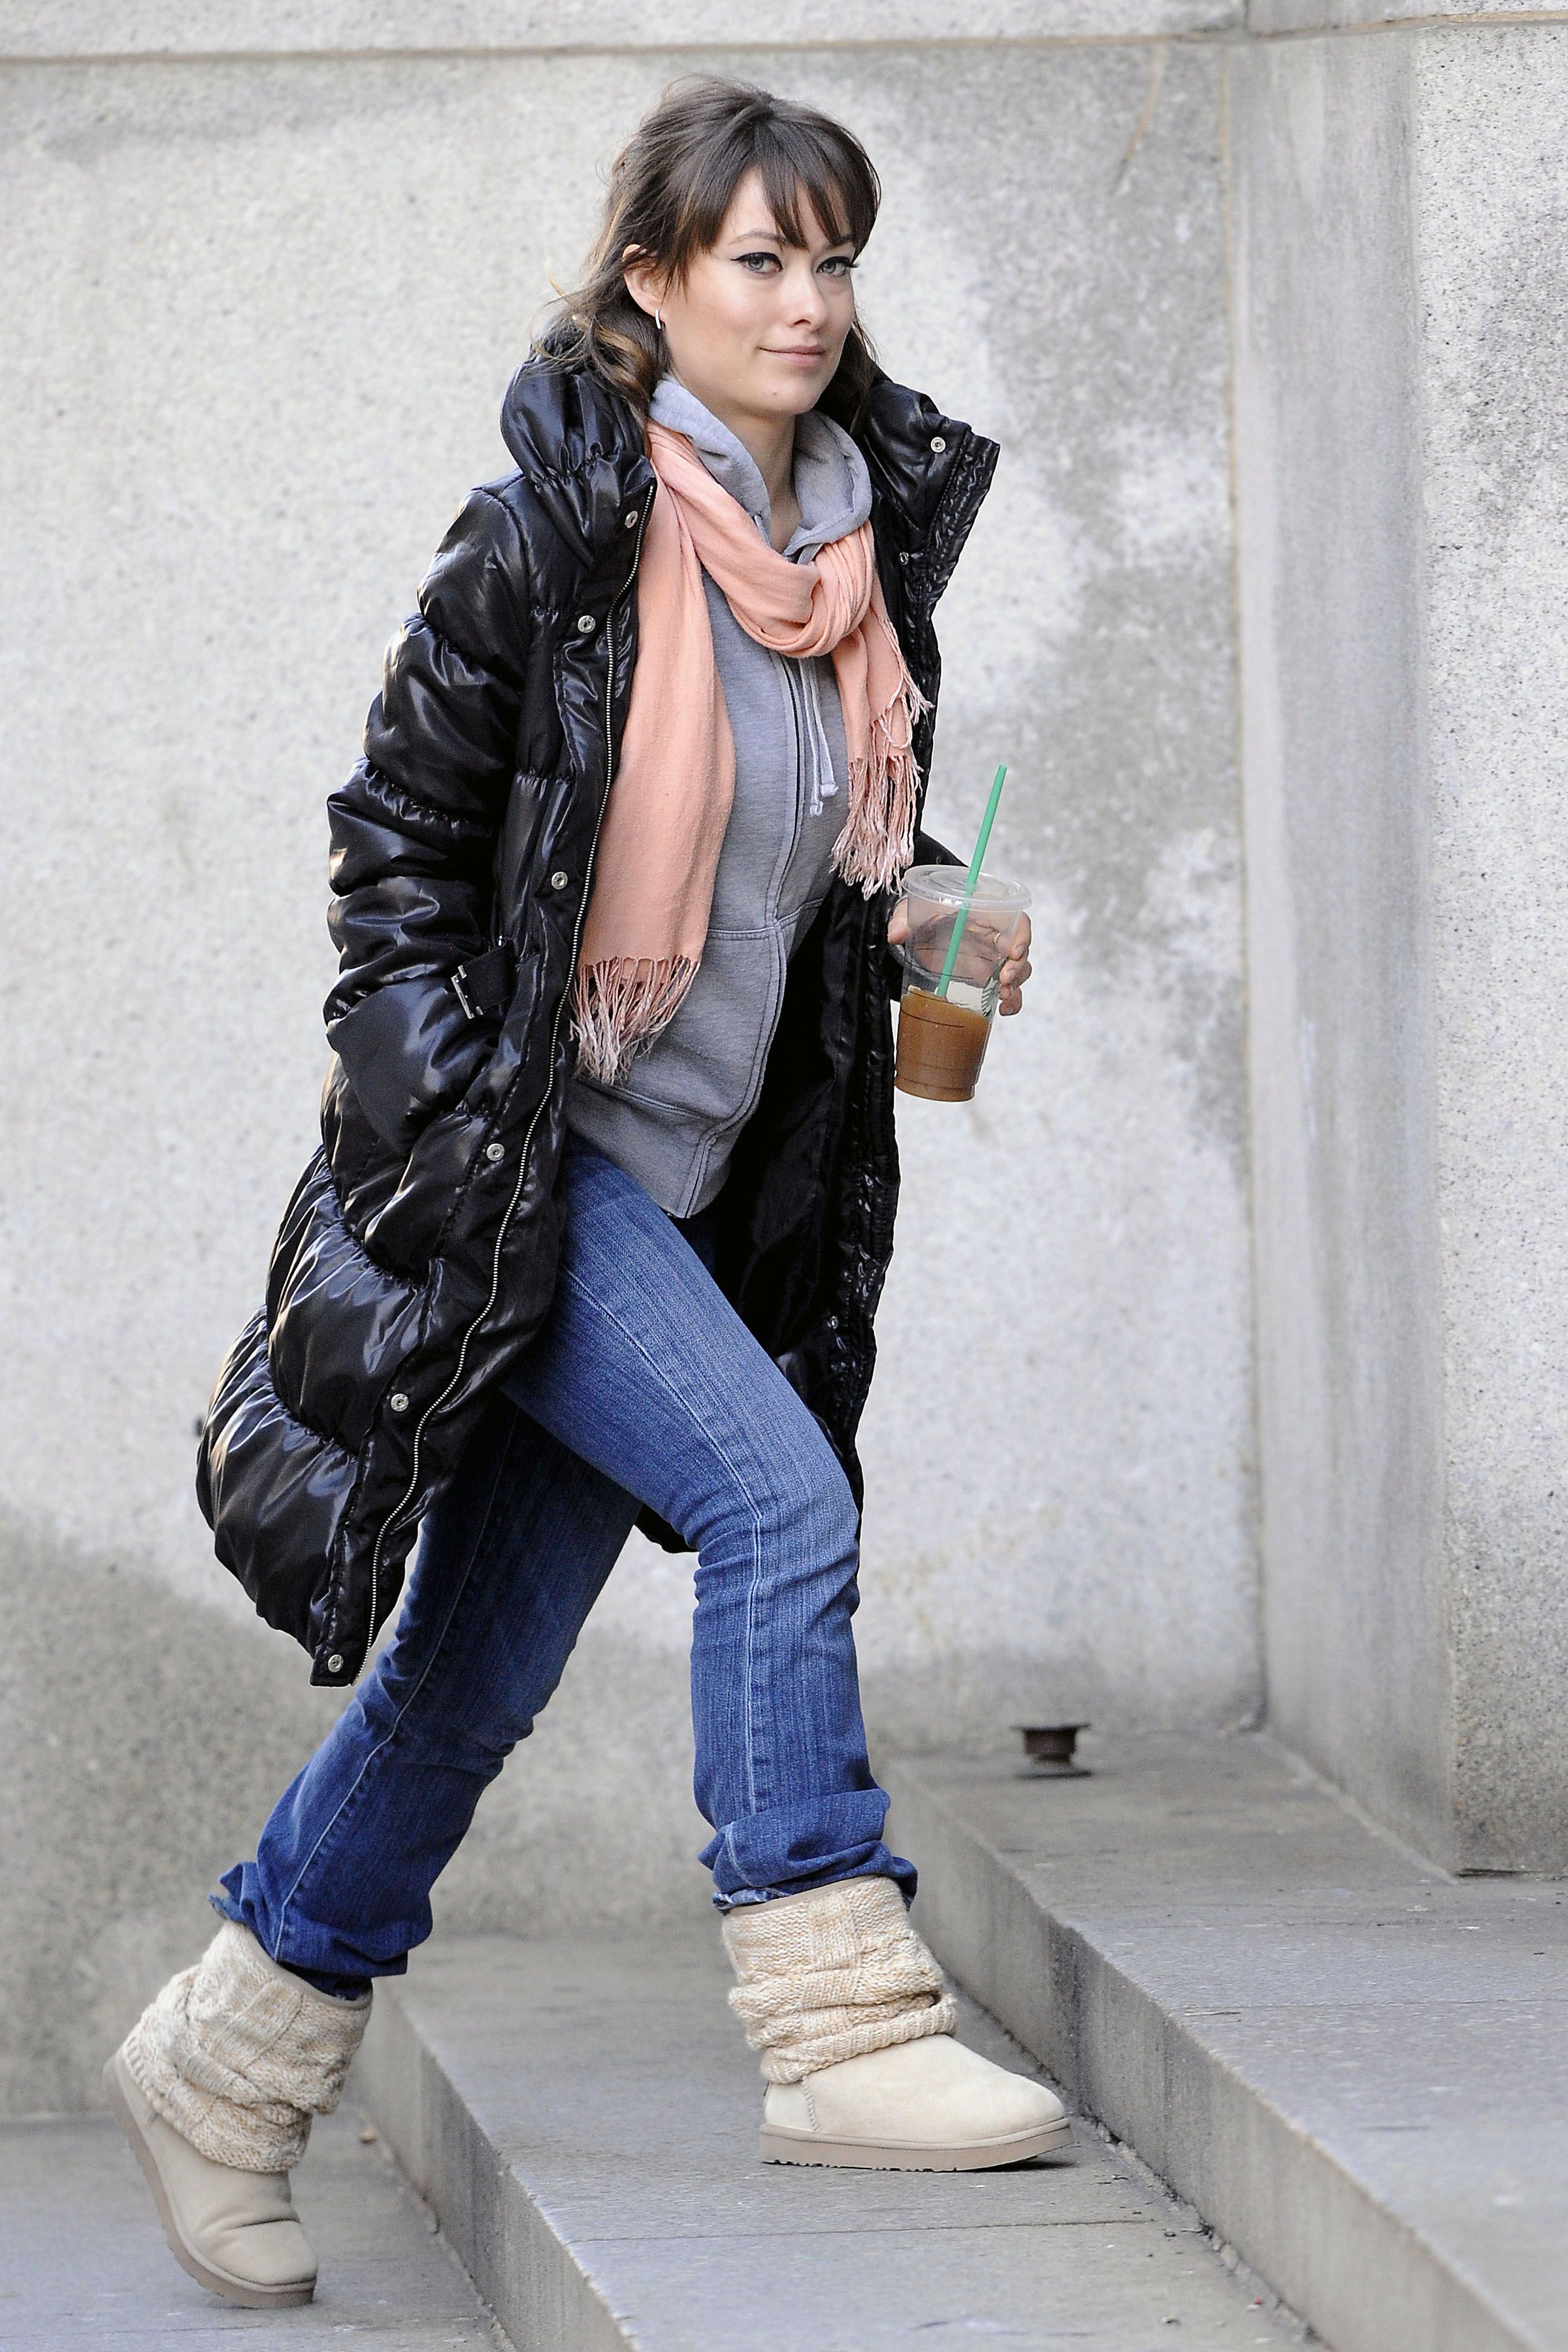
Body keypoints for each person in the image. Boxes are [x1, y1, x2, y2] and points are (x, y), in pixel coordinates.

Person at [105, 76, 1054, 2312]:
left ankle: (224, 2070)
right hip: (545, 1172)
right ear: (656, 280)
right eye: (762, 260)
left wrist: (921, 900)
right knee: (780, 1503)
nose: (809, 303)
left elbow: (797, 856)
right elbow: (396, 874)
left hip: (697, 1184)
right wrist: (469, 1149)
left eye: (834, 259)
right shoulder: (551, 536)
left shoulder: (853, 549)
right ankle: (842, 2029)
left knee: (468, 1679)